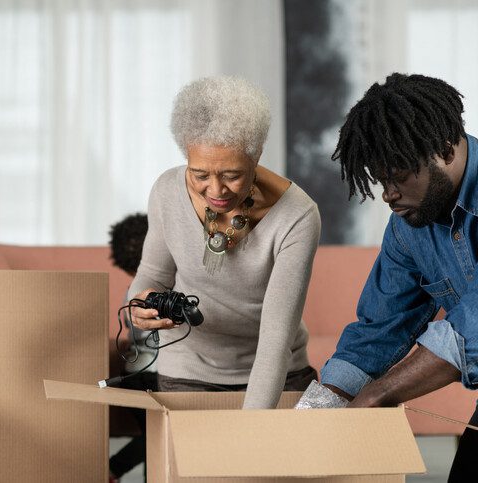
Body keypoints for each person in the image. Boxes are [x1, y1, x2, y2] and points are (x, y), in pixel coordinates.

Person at [318, 73, 477, 482]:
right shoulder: (408, 227)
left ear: (443, 151)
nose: (387, 194)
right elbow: (379, 328)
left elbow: (474, 323)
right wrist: (320, 412)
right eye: (380, 180)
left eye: (399, 175)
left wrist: (378, 394)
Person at [128, 75, 321, 409]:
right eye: (200, 174)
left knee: (269, 460)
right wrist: (139, 307)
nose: (215, 191)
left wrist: (250, 430)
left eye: (232, 175)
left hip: (281, 372)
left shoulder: (298, 216)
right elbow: (150, 278)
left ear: (256, 154)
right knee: (191, 462)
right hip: (187, 370)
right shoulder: (166, 191)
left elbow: (276, 340)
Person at [107, 213, 156, 482]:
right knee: (162, 434)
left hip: (133, 373)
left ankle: (112, 470)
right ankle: (112, 468)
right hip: (157, 376)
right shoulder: (166, 285)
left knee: (154, 435)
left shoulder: (132, 289)